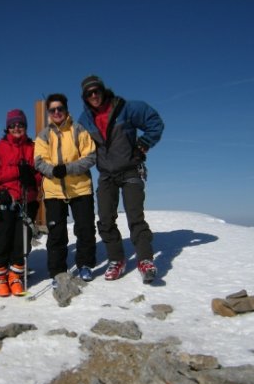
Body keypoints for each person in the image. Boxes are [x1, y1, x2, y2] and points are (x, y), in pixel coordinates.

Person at [78, 75, 164, 283]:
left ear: (103, 90)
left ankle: (145, 259)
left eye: (96, 90)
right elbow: (76, 145)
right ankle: (116, 259)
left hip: (130, 171)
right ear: (85, 97)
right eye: (89, 94)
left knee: (135, 216)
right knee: (105, 219)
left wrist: (143, 144)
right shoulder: (85, 120)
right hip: (106, 174)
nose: (94, 95)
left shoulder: (126, 108)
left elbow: (155, 122)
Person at [34, 93, 97, 284]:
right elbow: (38, 161)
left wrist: (68, 169)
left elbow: (91, 157)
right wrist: (54, 171)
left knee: (85, 229)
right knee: (56, 234)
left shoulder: (79, 130)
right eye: (52, 110)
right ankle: (58, 271)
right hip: (54, 191)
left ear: (66, 110)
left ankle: (85, 264)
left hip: (80, 189)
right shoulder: (44, 135)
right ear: (49, 113)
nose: (56, 112)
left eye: (60, 108)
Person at [0, 109, 41, 297]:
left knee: (22, 241)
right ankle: (0, 277)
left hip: (28, 199)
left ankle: (15, 275)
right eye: (13, 125)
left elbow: (40, 170)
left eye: (21, 124)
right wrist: (16, 172)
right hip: (6, 199)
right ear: (7, 127)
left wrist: (33, 178)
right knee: (2, 239)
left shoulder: (33, 147)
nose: (17, 128)